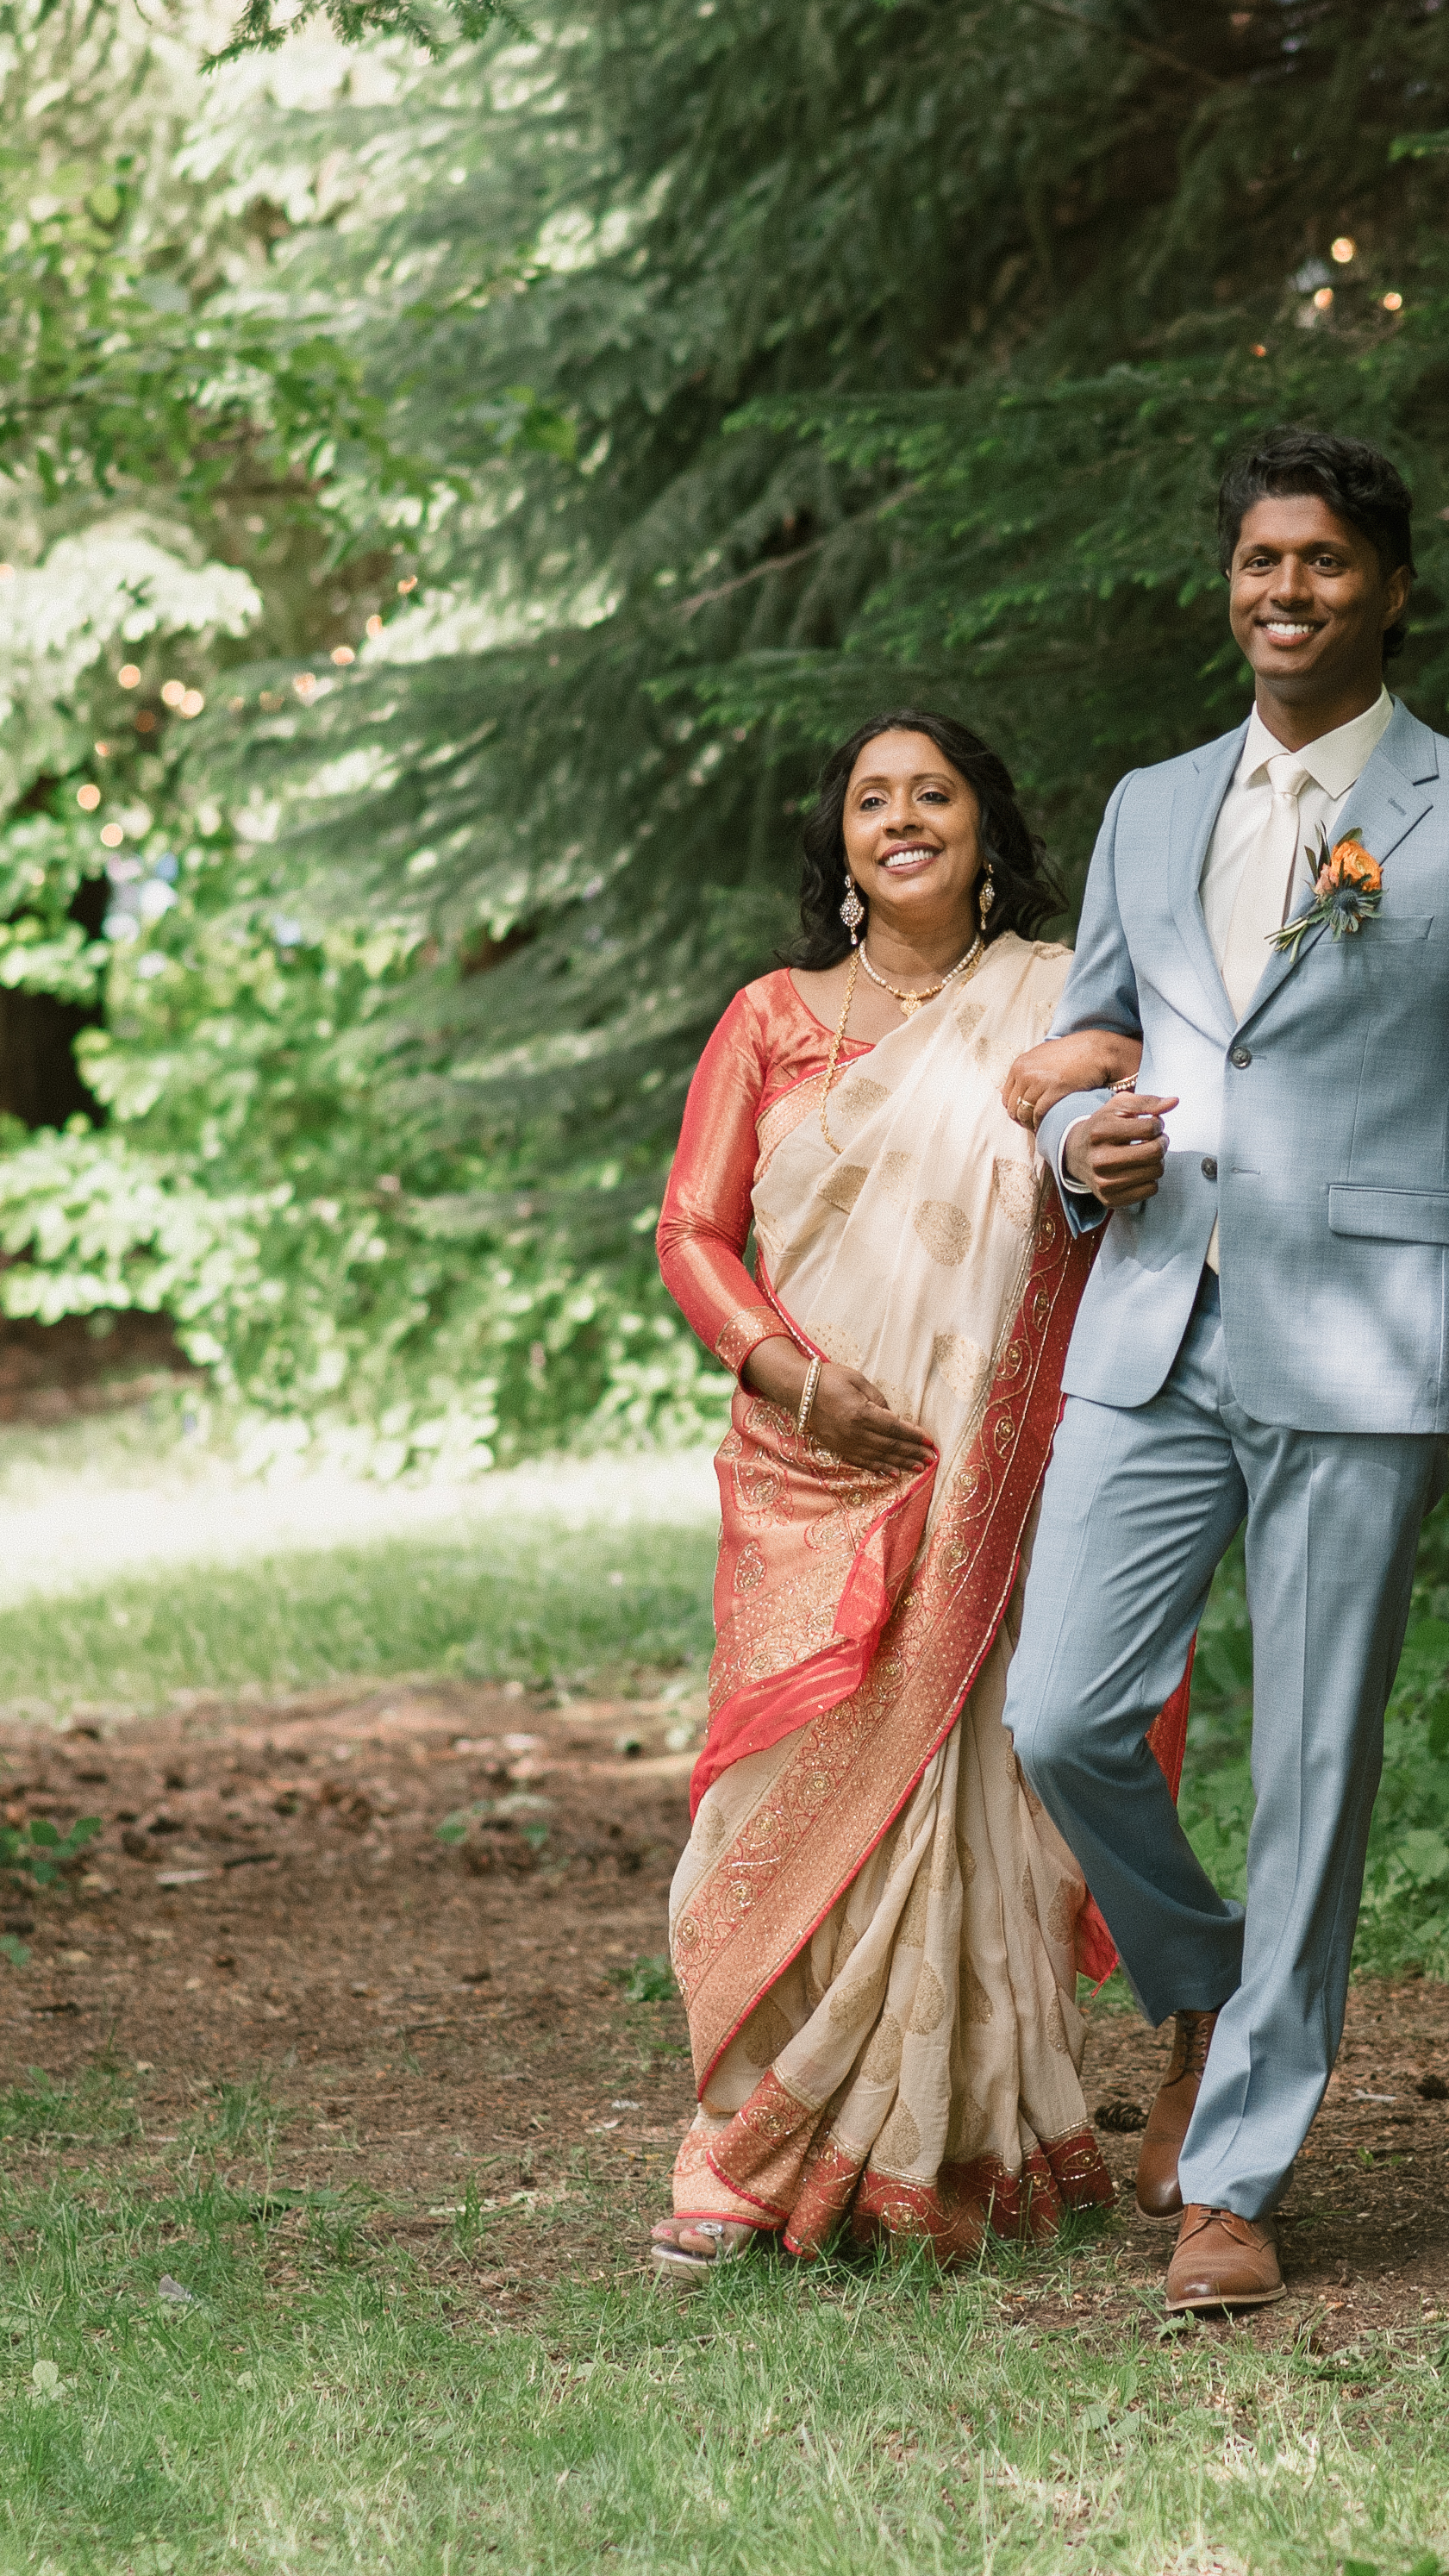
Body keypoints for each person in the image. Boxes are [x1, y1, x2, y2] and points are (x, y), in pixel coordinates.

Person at [1001, 426, 1449, 2317]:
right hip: (1150, 1318)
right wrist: (1070, 1149)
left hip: (1356, 1340)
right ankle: (1201, 1982)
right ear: (1230, 581)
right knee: (1059, 1717)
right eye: (1259, 559)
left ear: (1387, 591)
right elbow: (1080, 1045)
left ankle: (1234, 2175)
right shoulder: (1146, 800)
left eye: (1324, 564)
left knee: (1308, 1765)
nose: (1285, 590)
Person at [644, 709, 1149, 2274]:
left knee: (980, 1781)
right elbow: (690, 1233)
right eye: (874, 798)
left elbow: (1124, 1171)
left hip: (995, 1463)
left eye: (936, 793)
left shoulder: (1065, 1002)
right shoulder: (774, 1016)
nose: (904, 816)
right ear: (842, 844)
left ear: (988, 829)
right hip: (815, 1458)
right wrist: (786, 1373)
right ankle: (750, 2136)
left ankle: (944, 2142)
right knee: (771, 1788)